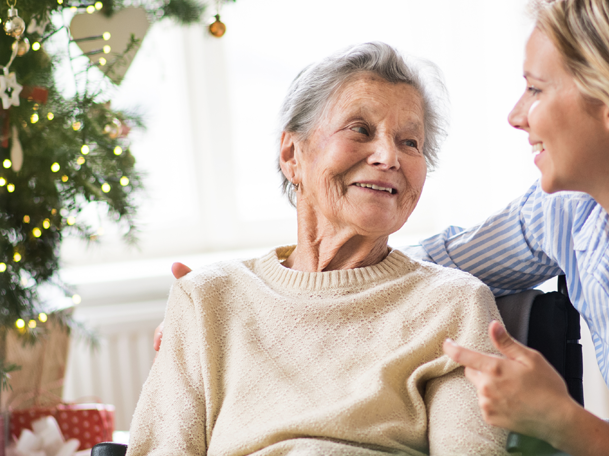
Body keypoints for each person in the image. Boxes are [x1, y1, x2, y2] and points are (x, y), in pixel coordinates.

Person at [158, 1, 609, 455]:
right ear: (291, 155)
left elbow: (429, 286)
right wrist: (239, 295)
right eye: (360, 131)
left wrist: (562, 420)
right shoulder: (566, 213)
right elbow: (419, 260)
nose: (514, 114)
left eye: (533, 88)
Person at [130, 42, 508, 455]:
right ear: (292, 155)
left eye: (410, 142)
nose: (388, 157)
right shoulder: (206, 299)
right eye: (360, 130)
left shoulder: (456, 306)